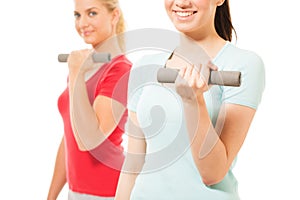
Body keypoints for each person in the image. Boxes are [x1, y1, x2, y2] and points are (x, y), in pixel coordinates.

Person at [115, 0, 265, 199]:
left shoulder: (243, 64)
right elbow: (133, 164)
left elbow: (213, 174)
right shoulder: (145, 65)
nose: (182, 3)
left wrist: (193, 101)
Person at [47, 0, 131, 199]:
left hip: (107, 192)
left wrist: (76, 71)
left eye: (92, 13)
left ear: (114, 15)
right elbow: (70, 137)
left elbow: (89, 141)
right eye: (77, 15)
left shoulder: (120, 70)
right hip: (75, 192)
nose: (82, 23)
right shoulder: (82, 67)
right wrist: (51, 196)